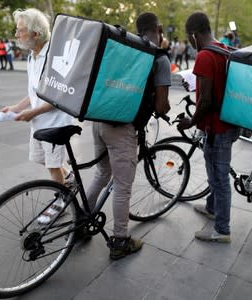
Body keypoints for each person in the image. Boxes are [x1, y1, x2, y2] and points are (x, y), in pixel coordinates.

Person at [85, 11, 171, 260]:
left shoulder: (125, 48)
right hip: (122, 128)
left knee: (102, 173)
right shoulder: (158, 58)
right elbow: (161, 106)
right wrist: (160, 104)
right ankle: (120, 240)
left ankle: (82, 220)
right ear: (159, 28)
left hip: (99, 121)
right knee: (123, 187)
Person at [1, 8, 74, 224]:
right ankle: (68, 179)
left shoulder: (54, 57)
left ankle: (61, 201)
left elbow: (59, 95)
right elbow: (35, 92)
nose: (16, 35)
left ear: (36, 33)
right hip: (39, 121)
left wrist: (32, 111)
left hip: (56, 122)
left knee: (53, 165)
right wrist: (17, 107)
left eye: (20, 31)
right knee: (43, 160)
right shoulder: (33, 56)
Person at [177, 12, 240, 243]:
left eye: (188, 38)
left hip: (217, 128)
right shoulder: (224, 49)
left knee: (219, 179)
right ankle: (212, 208)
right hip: (229, 124)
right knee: (216, 172)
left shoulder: (205, 56)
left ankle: (222, 230)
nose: (189, 43)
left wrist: (191, 121)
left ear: (193, 35)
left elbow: (206, 100)